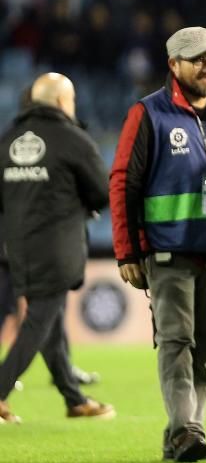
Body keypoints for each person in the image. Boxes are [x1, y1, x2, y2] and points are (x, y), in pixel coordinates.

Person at [111, 27, 206, 461]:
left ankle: (187, 435)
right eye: (196, 59)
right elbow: (123, 183)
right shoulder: (148, 113)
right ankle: (186, 431)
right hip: (168, 252)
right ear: (174, 65)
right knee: (176, 342)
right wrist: (128, 251)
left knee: (204, 351)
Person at [0, 73, 114, 423]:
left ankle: (74, 398)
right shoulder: (72, 139)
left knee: (50, 319)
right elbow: (101, 191)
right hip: (57, 246)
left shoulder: (7, 140)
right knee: (39, 321)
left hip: (17, 247)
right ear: (64, 102)